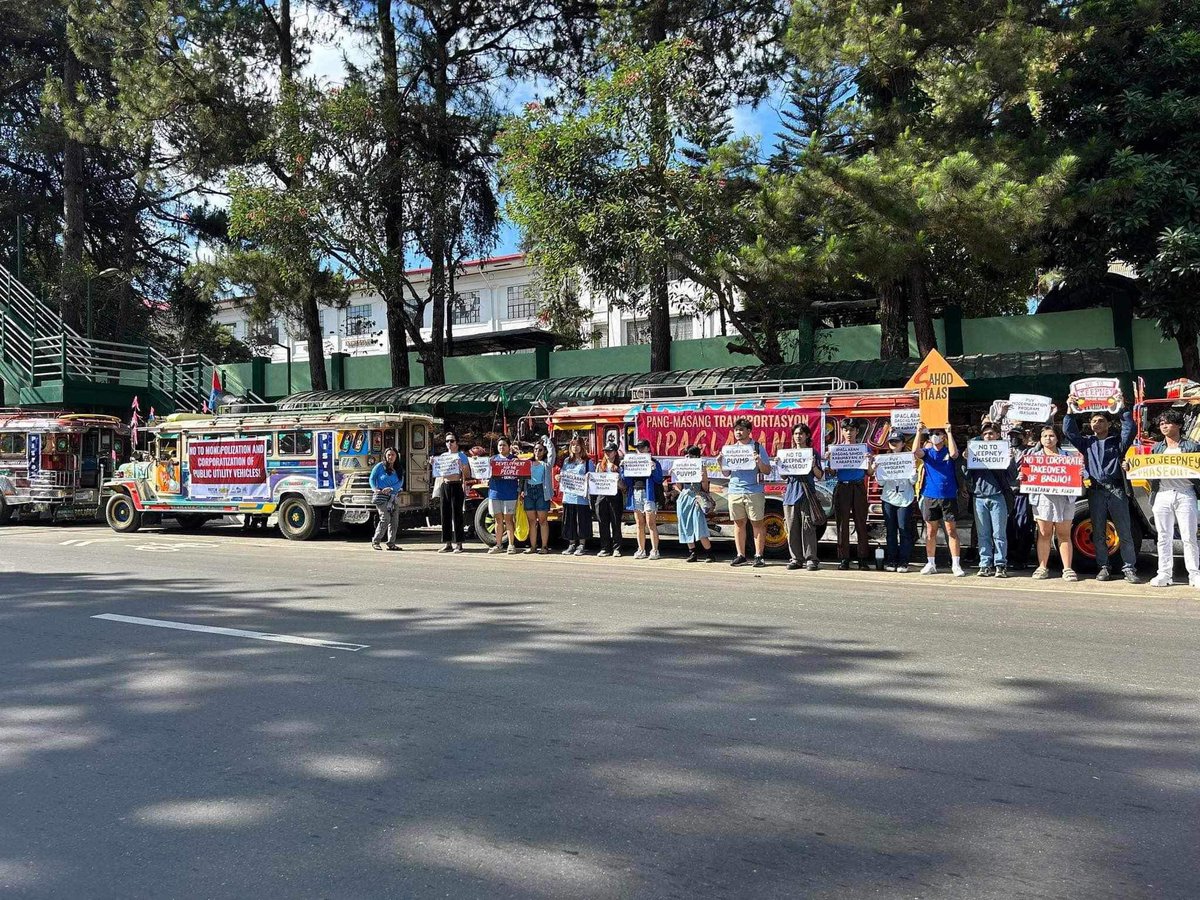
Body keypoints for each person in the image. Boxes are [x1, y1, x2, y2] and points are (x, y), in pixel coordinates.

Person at [1063, 403, 1142, 583]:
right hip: (1096, 491)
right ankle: (1104, 567)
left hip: (1116, 490)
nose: (1097, 424)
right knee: (1098, 531)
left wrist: (1122, 408)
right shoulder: (1087, 443)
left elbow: (1130, 428)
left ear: (1108, 424)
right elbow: (1070, 432)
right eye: (1093, 421)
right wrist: (1069, 411)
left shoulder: (1118, 442)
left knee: (1124, 530)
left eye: (1101, 420)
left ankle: (1129, 568)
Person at [1145, 408, 1200, 588]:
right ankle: (1164, 574)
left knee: (1189, 536)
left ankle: (1194, 574)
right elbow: (1148, 470)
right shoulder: (1157, 448)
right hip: (1162, 494)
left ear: (1178, 425)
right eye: (1161, 423)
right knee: (1163, 537)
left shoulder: (1191, 447)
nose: (1164, 426)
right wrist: (1131, 467)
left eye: (1167, 423)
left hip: (1185, 493)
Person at [1023, 425, 1078, 581]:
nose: (1048, 438)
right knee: (1044, 534)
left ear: (1057, 438)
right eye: (1045, 436)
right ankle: (1042, 567)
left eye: (1052, 435)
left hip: (1065, 500)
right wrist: (1023, 476)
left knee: (1064, 534)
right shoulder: (1033, 457)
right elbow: (1024, 475)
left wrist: (1081, 472)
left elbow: (1082, 473)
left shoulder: (1069, 456)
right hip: (1043, 500)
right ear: (1040, 439)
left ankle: (1067, 569)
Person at [721, 417, 773, 568]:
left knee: (757, 523)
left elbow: (767, 470)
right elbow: (726, 473)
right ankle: (741, 555)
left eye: (741, 429)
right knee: (738, 523)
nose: (738, 432)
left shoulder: (757, 447)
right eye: (736, 430)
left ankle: (759, 556)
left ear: (749, 431)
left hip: (753, 490)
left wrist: (758, 461)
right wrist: (720, 461)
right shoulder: (730, 449)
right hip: (735, 490)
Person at [914, 423, 965, 577]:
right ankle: (931, 563)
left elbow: (954, 453)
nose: (935, 436)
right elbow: (915, 451)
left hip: (948, 496)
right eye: (932, 434)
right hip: (930, 496)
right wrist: (918, 431)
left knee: (951, 530)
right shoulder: (928, 453)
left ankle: (956, 564)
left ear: (943, 436)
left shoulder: (948, 451)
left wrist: (949, 432)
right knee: (930, 531)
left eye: (938, 434)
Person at [968, 422, 1016, 578]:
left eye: (991, 433)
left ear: (997, 436)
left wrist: (1011, 461)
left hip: (997, 496)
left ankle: (1000, 564)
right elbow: (966, 475)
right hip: (979, 497)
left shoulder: (1003, 452)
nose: (988, 436)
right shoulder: (975, 451)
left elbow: (1012, 477)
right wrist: (965, 460)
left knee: (999, 533)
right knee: (983, 533)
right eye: (985, 434)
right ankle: (984, 564)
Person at [825, 419, 872, 570]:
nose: (849, 433)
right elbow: (831, 473)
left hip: (858, 487)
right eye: (846, 430)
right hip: (842, 487)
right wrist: (830, 461)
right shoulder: (836, 449)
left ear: (857, 432)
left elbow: (870, 472)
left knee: (861, 523)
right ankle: (844, 558)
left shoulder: (864, 449)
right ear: (842, 431)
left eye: (852, 430)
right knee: (842, 524)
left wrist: (870, 462)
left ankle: (863, 558)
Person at [872, 430, 916, 572]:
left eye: (897, 441)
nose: (894, 444)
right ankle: (891, 560)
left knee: (904, 531)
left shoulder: (909, 458)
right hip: (888, 499)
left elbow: (913, 481)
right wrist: (877, 471)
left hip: (905, 499)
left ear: (903, 443)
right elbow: (882, 484)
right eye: (891, 442)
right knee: (890, 532)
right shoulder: (884, 459)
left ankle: (904, 561)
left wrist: (914, 470)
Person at [781, 422, 823, 571]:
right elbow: (784, 476)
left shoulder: (813, 453)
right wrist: (780, 464)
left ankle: (811, 559)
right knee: (791, 528)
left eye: (801, 434)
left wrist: (813, 465)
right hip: (790, 495)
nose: (798, 436)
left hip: (806, 495)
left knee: (808, 528)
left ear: (807, 436)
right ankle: (796, 559)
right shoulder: (788, 454)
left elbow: (819, 475)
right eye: (796, 434)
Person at [622, 438, 664, 560]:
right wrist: (624, 469)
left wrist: (654, 468)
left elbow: (659, 479)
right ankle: (641, 549)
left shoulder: (654, 461)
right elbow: (628, 482)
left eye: (642, 447)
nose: (639, 450)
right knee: (639, 524)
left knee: (651, 523)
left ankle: (655, 550)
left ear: (647, 448)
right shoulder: (633, 462)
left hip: (648, 494)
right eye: (638, 448)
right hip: (636, 493)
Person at [674, 445, 716, 563]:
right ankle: (692, 552)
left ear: (697, 456)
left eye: (691, 455)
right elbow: (679, 487)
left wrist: (703, 477)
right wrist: (676, 475)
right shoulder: (682, 467)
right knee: (685, 525)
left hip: (697, 497)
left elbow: (705, 488)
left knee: (699, 524)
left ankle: (709, 553)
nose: (688, 457)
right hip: (684, 497)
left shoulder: (701, 467)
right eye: (686, 455)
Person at [1005, 427, 1036, 570]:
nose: (1013, 438)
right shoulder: (1004, 450)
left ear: (1024, 437)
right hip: (1008, 493)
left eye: (1017, 436)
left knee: (1024, 524)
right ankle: (1009, 555)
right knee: (1008, 525)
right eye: (1011, 436)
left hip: (1023, 493)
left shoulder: (1029, 451)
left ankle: (1022, 556)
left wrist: (1050, 418)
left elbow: (1041, 445)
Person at [560, 438, 594, 556]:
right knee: (569, 521)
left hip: (581, 498)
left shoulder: (588, 462)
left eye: (578, 445)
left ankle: (582, 545)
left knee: (582, 521)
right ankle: (571, 544)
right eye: (573, 445)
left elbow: (593, 479)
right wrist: (559, 478)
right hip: (568, 496)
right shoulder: (566, 461)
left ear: (582, 447)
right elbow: (563, 475)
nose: (575, 447)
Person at [436, 432, 470, 553]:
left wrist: (463, 467)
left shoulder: (461, 456)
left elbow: (467, 474)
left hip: (456, 485)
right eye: (447, 441)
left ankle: (459, 543)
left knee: (457, 515)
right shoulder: (443, 456)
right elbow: (438, 471)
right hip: (445, 485)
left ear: (457, 443)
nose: (449, 443)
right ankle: (447, 542)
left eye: (452, 441)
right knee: (445, 514)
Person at [487, 437, 520, 555]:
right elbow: (483, 472)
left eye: (504, 445)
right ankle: (498, 544)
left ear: (509, 446)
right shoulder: (492, 459)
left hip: (510, 494)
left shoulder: (515, 459)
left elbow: (522, 474)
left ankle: (511, 545)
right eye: (500, 445)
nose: (502, 447)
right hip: (495, 493)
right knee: (498, 520)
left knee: (509, 520)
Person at [520, 439, 553, 554]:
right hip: (529, 491)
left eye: (540, 450)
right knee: (531, 521)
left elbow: (552, 453)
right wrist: (521, 491)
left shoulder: (546, 465)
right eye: (536, 449)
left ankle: (544, 547)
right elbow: (522, 478)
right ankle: (533, 546)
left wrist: (546, 440)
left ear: (544, 452)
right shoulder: (528, 463)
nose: (537, 452)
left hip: (541, 491)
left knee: (543, 520)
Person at [594, 442, 626, 557]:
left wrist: (617, 482)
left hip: (615, 496)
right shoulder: (599, 466)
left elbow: (624, 486)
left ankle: (617, 548)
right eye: (606, 451)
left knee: (616, 523)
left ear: (615, 452)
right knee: (603, 523)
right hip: (601, 496)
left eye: (610, 451)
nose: (607, 453)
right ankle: (605, 548)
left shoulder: (621, 466)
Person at [369, 447, 403, 551]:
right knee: (385, 518)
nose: (391, 457)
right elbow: (372, 478)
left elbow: (400, 482)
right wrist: (375, 489)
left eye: (393, 455)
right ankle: (376, 541)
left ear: (396, 456)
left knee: (394, 521)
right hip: (381, 497)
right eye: (388, 455)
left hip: (393, 497)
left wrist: (392, 488)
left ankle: (391, 543)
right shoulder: (380, 466)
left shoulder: (399, 468)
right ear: (385, 456)